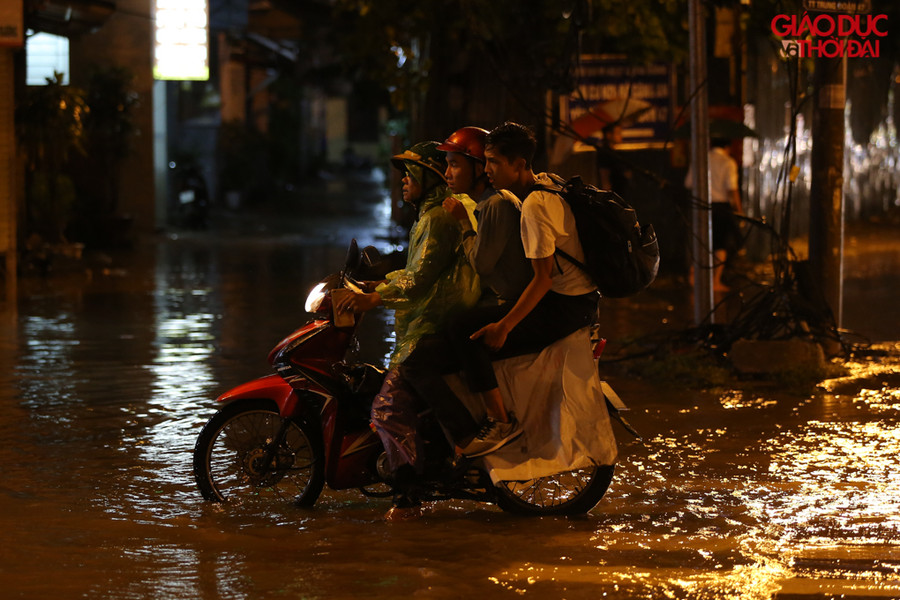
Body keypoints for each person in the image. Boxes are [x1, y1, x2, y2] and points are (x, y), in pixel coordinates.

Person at [406, 122, 599, 458]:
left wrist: (504, 325)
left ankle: (499, 422)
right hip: (575, 301)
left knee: (464, 330)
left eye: (494, 162)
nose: (490, 168)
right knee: (457, 329)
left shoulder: (530, 206)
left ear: (520, 164)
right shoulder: (540, 187)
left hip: (564, 306)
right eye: (488, 161)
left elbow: (542, 279)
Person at [334, 140, 480, 515]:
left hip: (431, 325)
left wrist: (374, 299)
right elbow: (413, 270)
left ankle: (407, 492)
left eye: (409, 174)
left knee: (387, 408)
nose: (402, 181)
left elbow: (418, 280)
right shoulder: (428, 217)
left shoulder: (436, 219)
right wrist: (374, 285)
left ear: (428, 179)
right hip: (425, 322)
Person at [401, 126, 532, 456]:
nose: (448, 173)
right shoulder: (479, 205)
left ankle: (486, 426)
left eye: (455, 165)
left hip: (512, 304)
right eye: (446, 165)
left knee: (447, 338)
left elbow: (481, 265)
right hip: (503, 300)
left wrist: (462, 221)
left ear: (478, 169)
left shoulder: (492, 206)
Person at [685, 137, 744, 291]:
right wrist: (739, 210)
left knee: (701, 241)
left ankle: (693, 277)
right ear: (727, 147)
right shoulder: (728, 162)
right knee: (720, 244)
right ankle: (715, 281)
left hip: (700, 204)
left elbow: (688, 183)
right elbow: (732, 189)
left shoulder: (700, 160)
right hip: (721, 207)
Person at [596, 123, 632, 198]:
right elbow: (604, 178)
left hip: (619, 194)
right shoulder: (605, 153)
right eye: (618, 133)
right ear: (608, 135)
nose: (620, 136)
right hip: (613, 196)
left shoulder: (614, 153)